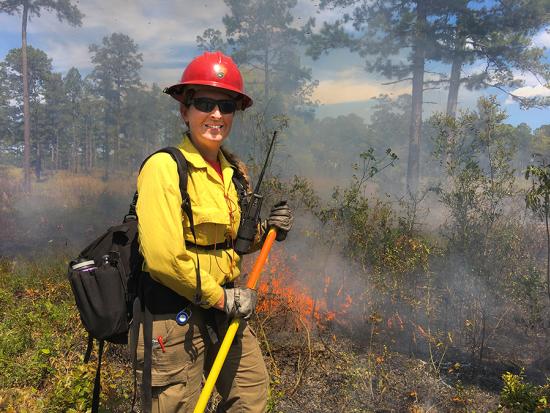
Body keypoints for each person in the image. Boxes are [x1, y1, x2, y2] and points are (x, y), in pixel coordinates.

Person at [133, 51, 293, 413]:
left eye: (226, 106)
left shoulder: (234, 172)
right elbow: (162, 259)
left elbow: (234, 243)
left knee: (250, 396)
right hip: (172, 316)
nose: (216, 114)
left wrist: (270, 231)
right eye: (205, 103)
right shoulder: (164, 167)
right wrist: (221, 298)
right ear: (184, 110)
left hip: (224, 310)